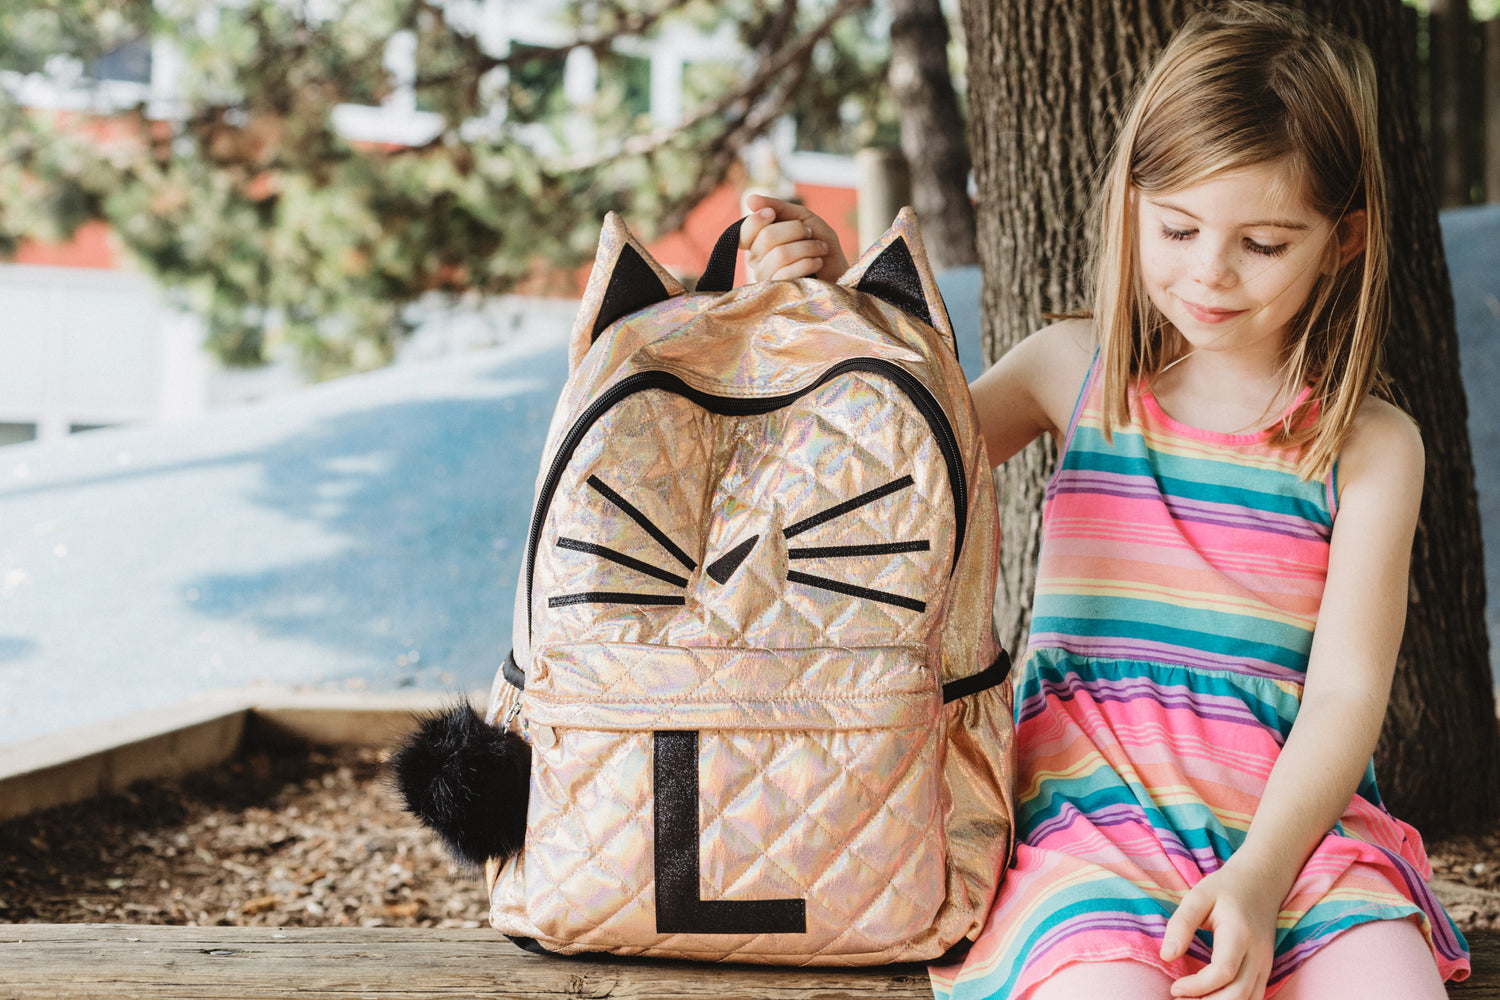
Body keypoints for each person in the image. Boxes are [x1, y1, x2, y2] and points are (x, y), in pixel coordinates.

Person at [737, 4, 1472, 999]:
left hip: (1295, 839)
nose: (1208, 270)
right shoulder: (1068, 371)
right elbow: (886, 457)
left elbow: (1346, 694)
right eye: (1177, 227)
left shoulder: (1373, 447)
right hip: (1086, 833)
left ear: (1341, 242)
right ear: (1130, 202)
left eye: (1262, 242)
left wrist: (1257, 875)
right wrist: (832, 293)